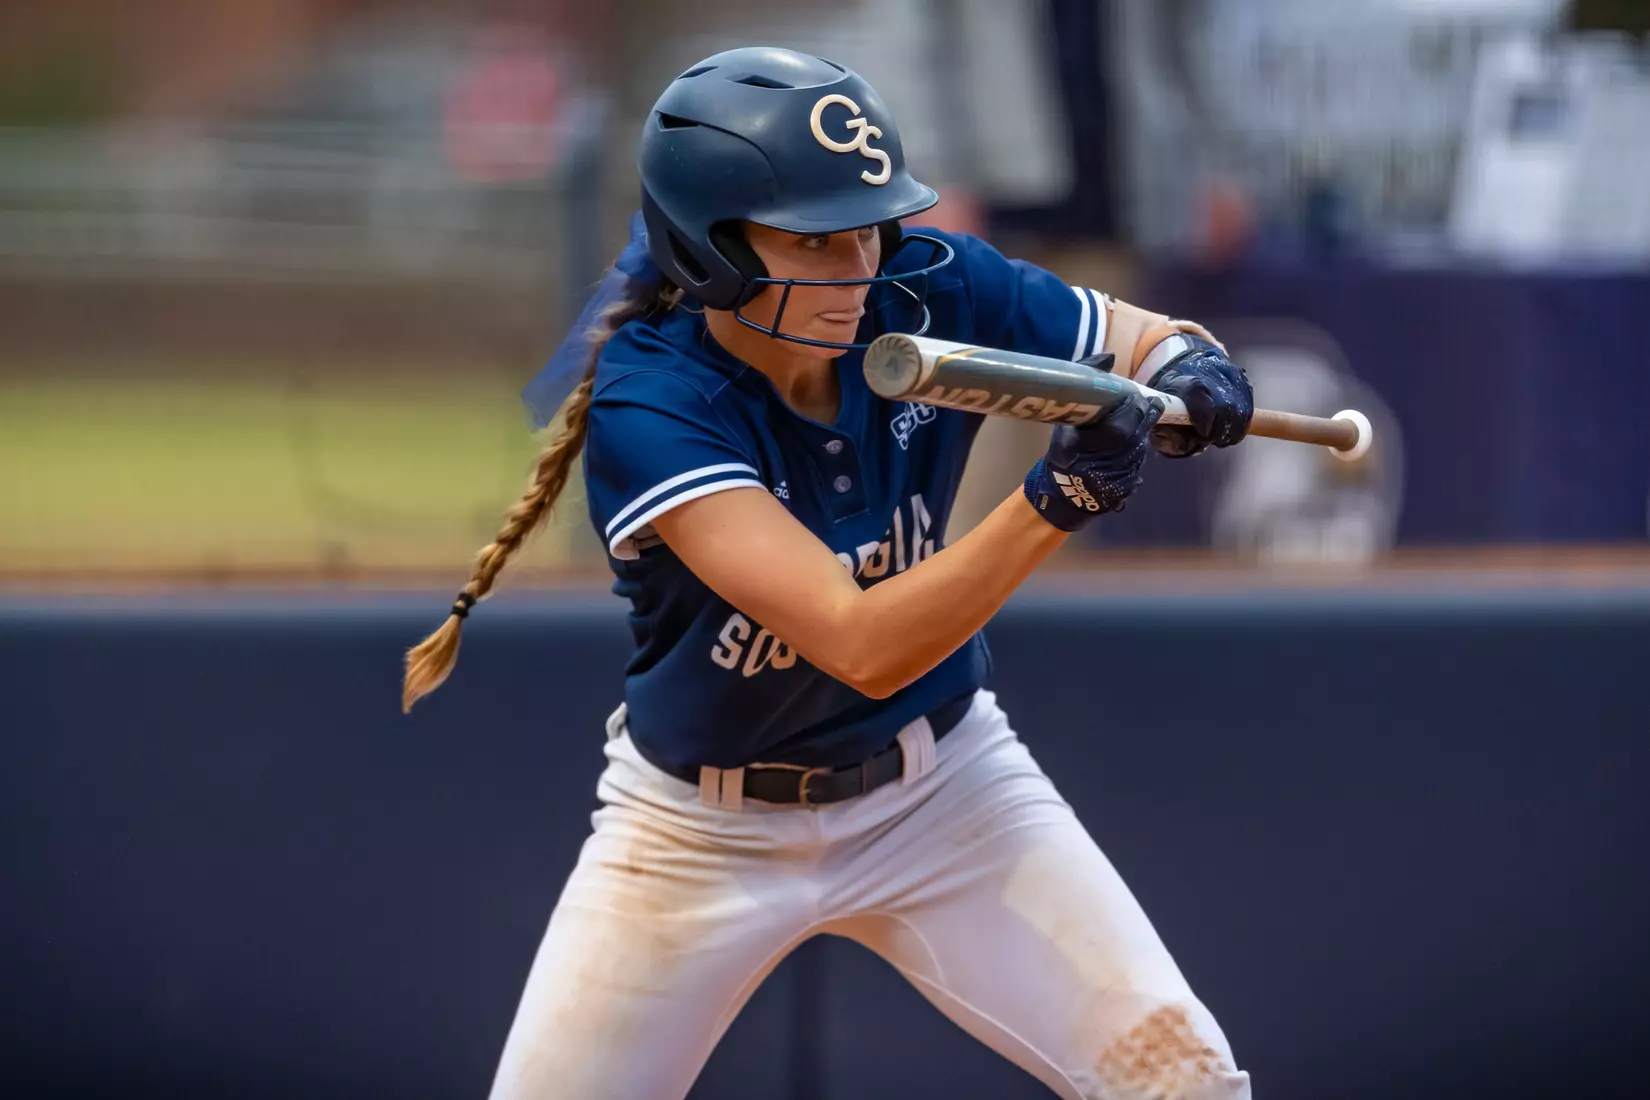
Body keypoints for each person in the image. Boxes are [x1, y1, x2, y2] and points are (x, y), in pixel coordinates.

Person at [403, 47, 1254, 1100]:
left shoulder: (926, 282)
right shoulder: (654, 400)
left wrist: (1185, 365)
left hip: (944, 789)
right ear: (710, 249)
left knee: (1189, 1082)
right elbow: (861, 641)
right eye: (814, 239)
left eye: (868, 226)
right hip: (696, 832)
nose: (858, 269)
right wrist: (1057, 501)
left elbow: (1137, 335)